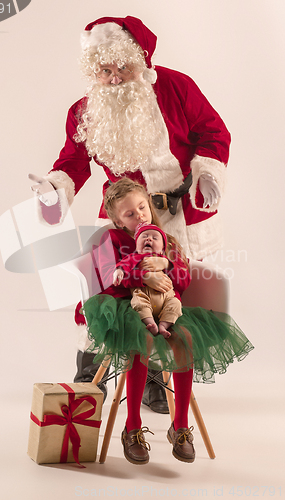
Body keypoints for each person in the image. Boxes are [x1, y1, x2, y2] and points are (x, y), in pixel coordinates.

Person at [29, 16, 232, 413]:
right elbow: (72, 163)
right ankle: (90, 376)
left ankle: (156, 382)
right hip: (124, 218)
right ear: (94, 71)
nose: (115, 78)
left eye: (123, 66)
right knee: (105, 288)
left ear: (140, 60)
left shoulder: (176, 88)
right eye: (105, 70)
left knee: (169, 294)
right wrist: (54, 192)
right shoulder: (84, 111)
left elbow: (213, 132)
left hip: (177, 216)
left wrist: (207, 174)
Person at [81, 178, 253, 465]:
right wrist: (142, 275)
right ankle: (132, 426)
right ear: (117, 220)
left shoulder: (165, 239)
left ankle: (180, 426)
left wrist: (168, 267)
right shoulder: (111, 240)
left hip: (167, 307)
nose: (139, 216)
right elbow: (107, 282)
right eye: (130, 214)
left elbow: (184, 282)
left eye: (142, 208)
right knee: (142, 338)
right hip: (126, 307)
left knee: (184, 338)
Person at [113, 221, 182, 339]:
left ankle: (163, 325)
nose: (149, 239)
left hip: (166, 297)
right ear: (136, 246)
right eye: (144, 236)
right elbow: (124, 265)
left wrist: (167, 264)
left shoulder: (164, 260)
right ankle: (151, 323)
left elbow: (180, 276)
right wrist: (119, 271)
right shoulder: (134, 257)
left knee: (175, 304)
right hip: (143, 294)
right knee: (139, 303)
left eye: (155, 238)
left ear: (162, 249)